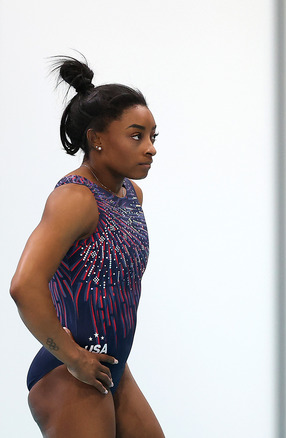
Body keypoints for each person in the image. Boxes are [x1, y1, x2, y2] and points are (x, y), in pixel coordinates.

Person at [9, 57, 164, 437]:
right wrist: (74, 357)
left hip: (110, 367)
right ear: (96, 138)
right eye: (136, 135)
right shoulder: (75, 200)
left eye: (152, 137)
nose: (150, 149)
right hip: (69, 372)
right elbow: (24, 285)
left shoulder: (131, 195)